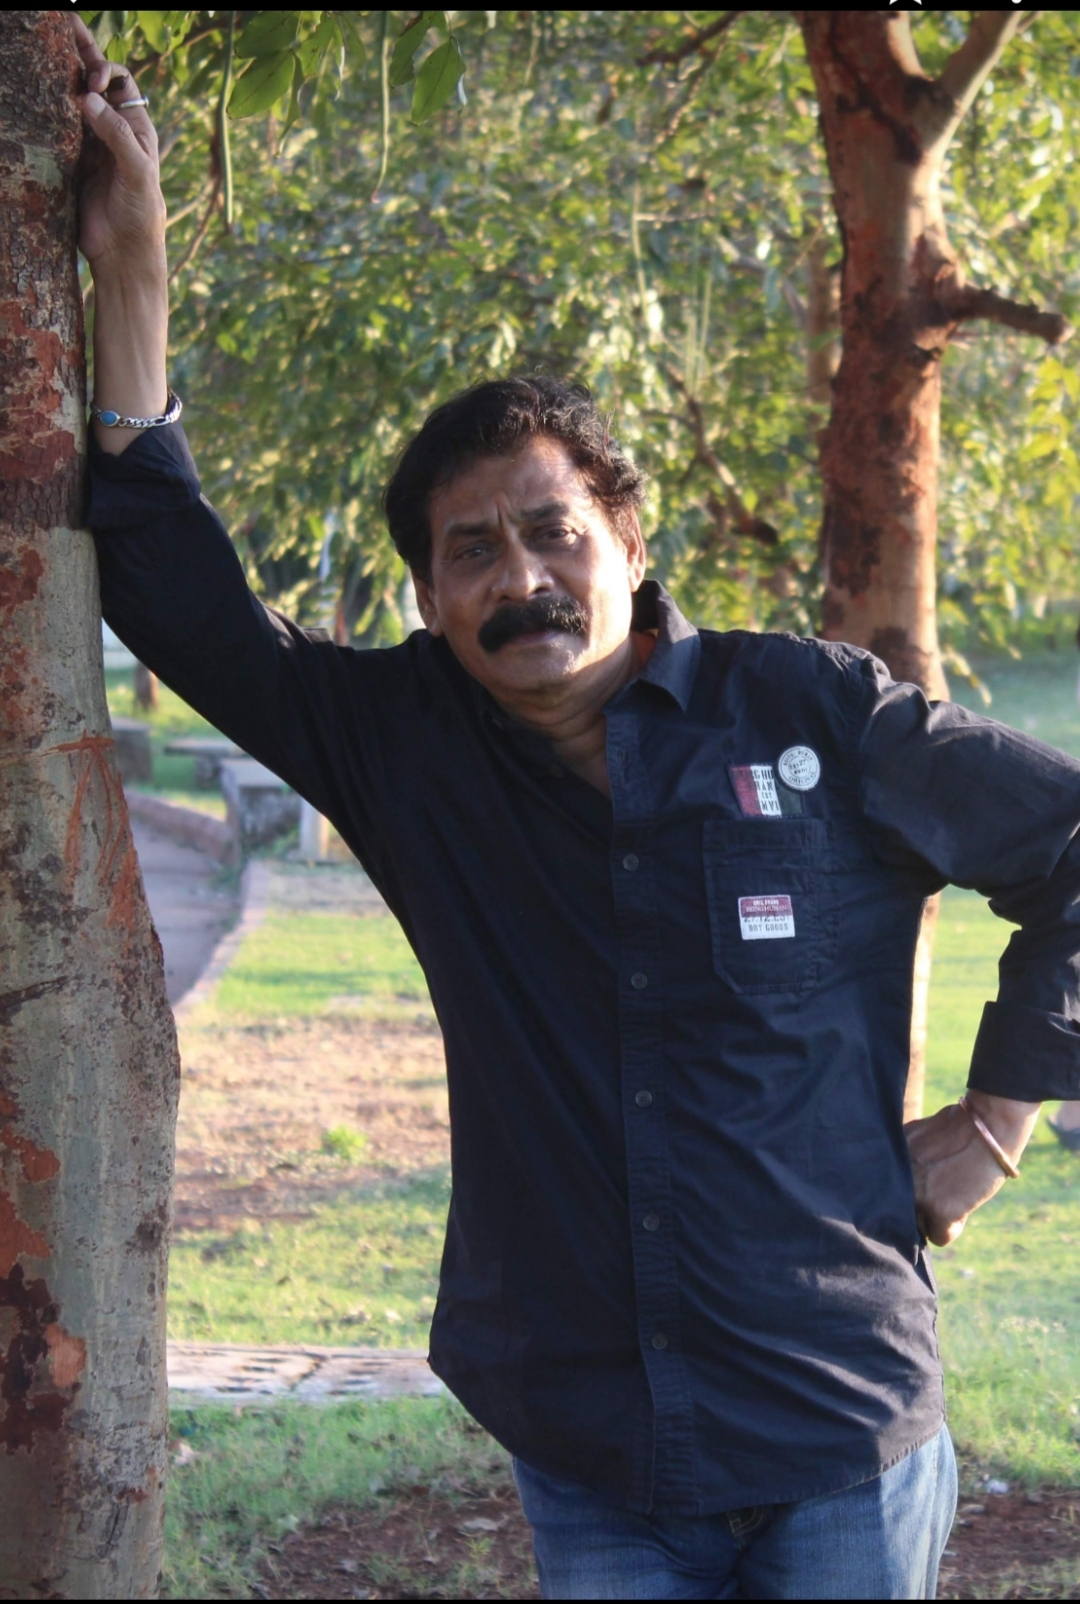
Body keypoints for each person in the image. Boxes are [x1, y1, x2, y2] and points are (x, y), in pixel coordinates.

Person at [70, 19, 1080, 1600]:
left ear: (627, 538)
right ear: (429, 597)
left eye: (551, 532)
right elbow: (181, 597)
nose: (520, 578)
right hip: (587, 1440)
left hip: (835, 1424)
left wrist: (1000, 1123)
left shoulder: (809, 713)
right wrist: (132, 265)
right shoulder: (408, 746)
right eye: (470, 552)